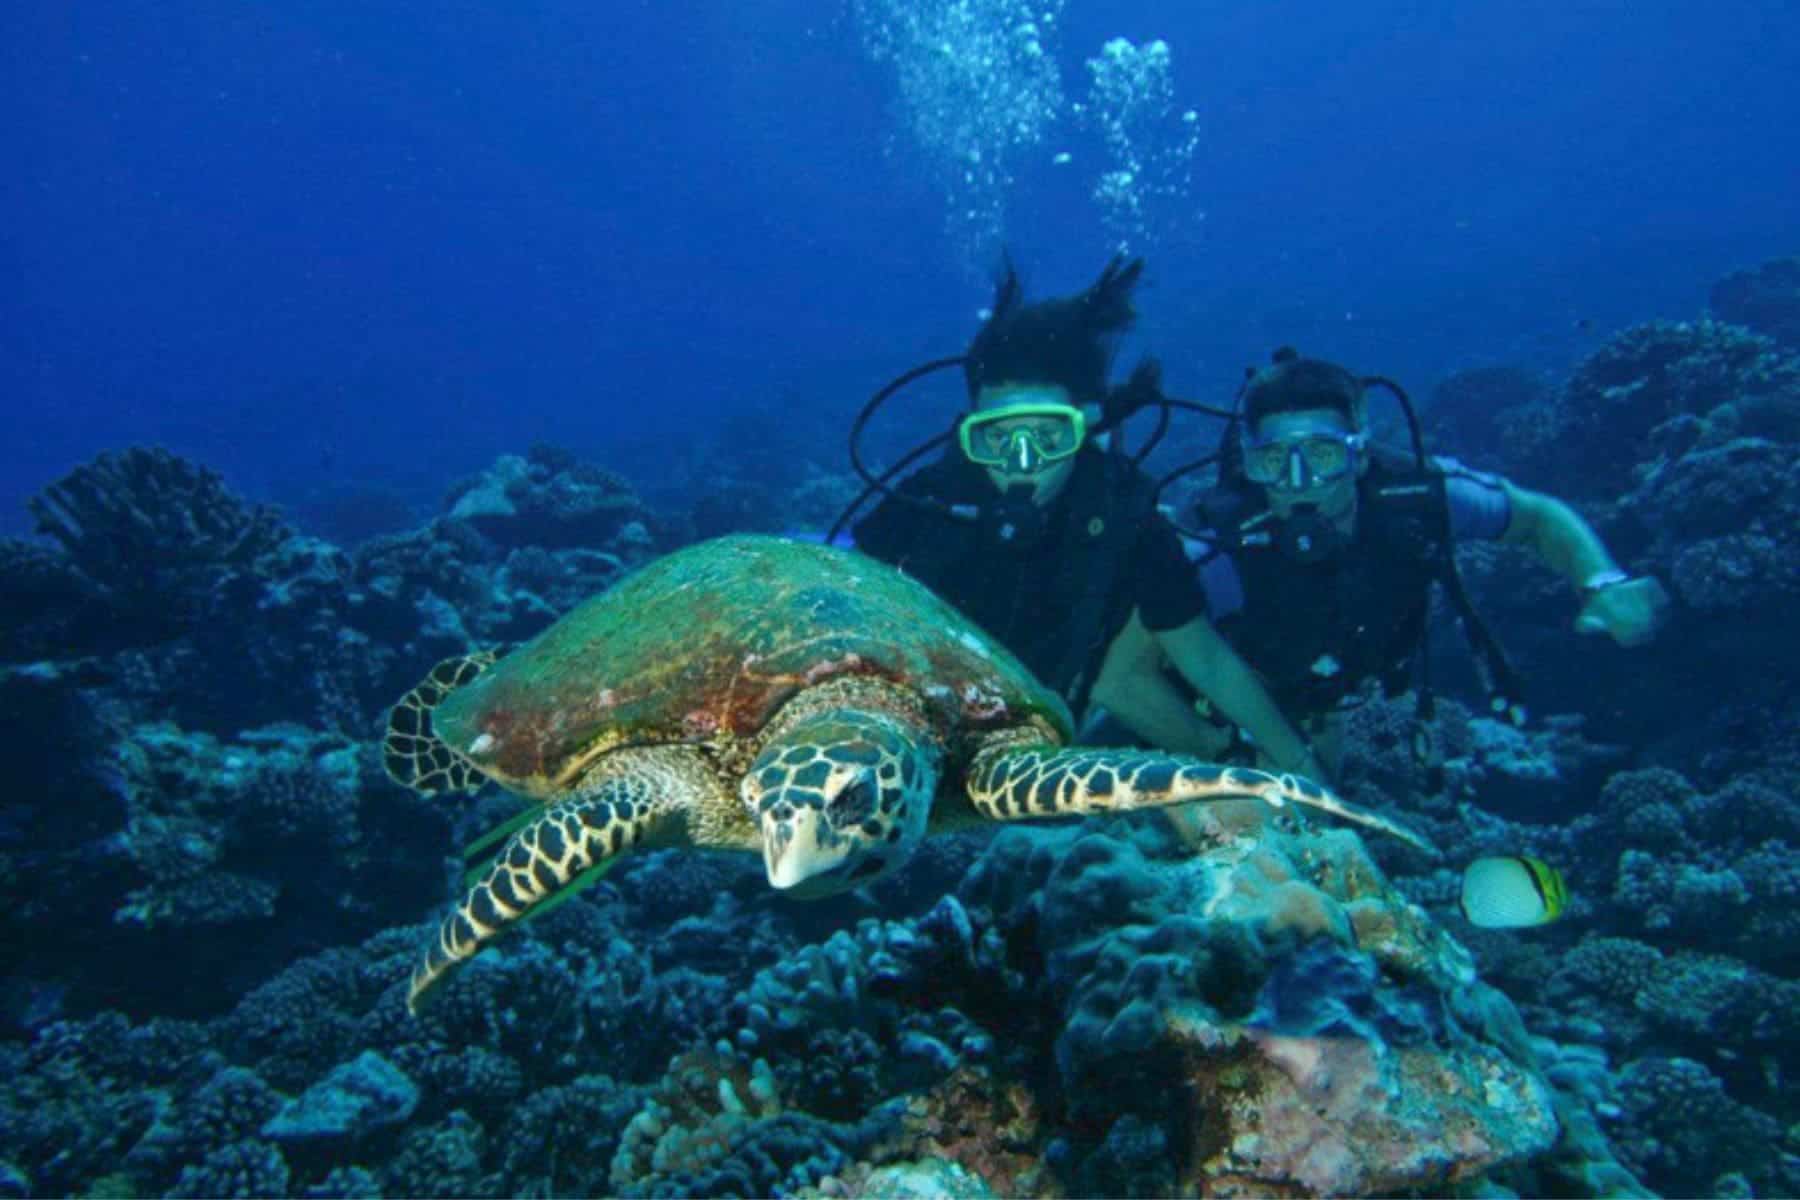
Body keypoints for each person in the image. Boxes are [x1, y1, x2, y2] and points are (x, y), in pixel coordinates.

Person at [848, 260, 1327, 778]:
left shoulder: (1125, 512)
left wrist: (1298, 762)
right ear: (970, 433)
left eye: (1049, 437)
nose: (1022, 466)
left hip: (1061, 713)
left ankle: (1201, 746)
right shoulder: (925, 506)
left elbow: (1204, 658)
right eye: (999, 439)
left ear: (1085, 429)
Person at [1173, 347, 1672, 777]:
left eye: (1323, 457)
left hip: (1343, 681)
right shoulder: (1220, 543)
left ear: (1361, 454)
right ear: (1250, 462)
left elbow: (1536, 517)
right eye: (1274, 462)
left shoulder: (1417, 498)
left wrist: (1601, 581)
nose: (1300, 482)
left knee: (1325, 789)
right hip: (1251, 692)